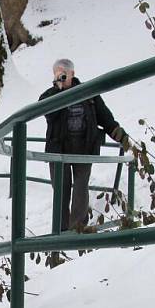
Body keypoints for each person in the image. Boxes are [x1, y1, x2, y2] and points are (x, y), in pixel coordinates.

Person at [38, 58, 130, 231]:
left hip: (84, 148)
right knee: (61, 191)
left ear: (73, 73)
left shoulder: (89, 93)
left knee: (81, 189)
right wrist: (57, 90)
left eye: (64, 73)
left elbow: (106, 118)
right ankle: (61, 231)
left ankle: (78, 229)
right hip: (59, 150)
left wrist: (122, 138)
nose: (61, 76)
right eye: (58, 73)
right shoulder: (49, 95)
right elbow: (47, 114)